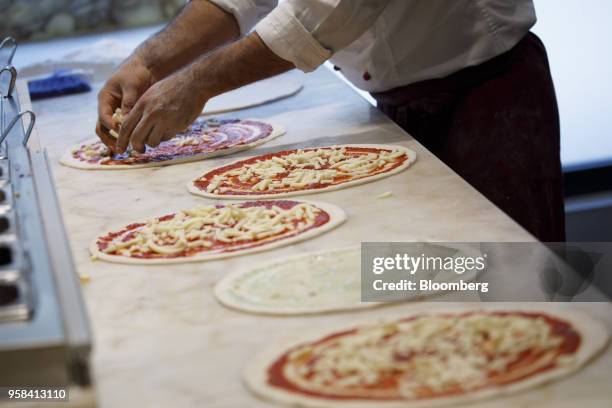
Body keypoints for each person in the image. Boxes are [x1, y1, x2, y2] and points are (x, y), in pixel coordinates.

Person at [96, 0, 564, 241]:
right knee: (429, 289)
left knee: (508, 284)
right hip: (398, 103)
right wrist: (150, 61)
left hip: (487, 94)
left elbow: (330, 11)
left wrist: (195, 84)